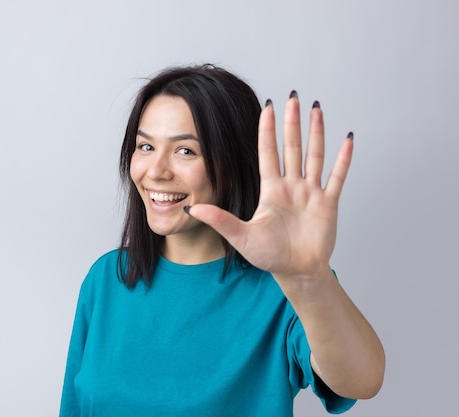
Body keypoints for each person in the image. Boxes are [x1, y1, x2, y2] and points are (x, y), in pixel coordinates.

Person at [59, 64, 385, 416]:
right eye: (145, 146)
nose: (156, 171)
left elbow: (362, 380)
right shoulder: (106, 278)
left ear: (231, 167)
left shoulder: (285, 286)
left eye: (185, 151)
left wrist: (310, 279)